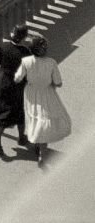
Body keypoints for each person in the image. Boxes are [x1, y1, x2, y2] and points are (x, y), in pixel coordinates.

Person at [15, 33, 71, 164]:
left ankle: (37, 143)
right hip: (46, 93)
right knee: (44, 118)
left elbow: (18, 78)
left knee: (33, 117)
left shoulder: (26, 61)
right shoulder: (51, 63)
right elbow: (58, 82)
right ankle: (42, 153)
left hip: (31, 92)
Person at [0, 24, 31, 157]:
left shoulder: (4, 46)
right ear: (24, 37)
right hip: (17, 84)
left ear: (13, 33)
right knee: (19, 111)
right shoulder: (25, 52)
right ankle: (20, 138)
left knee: (3, 110)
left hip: (3, 81)